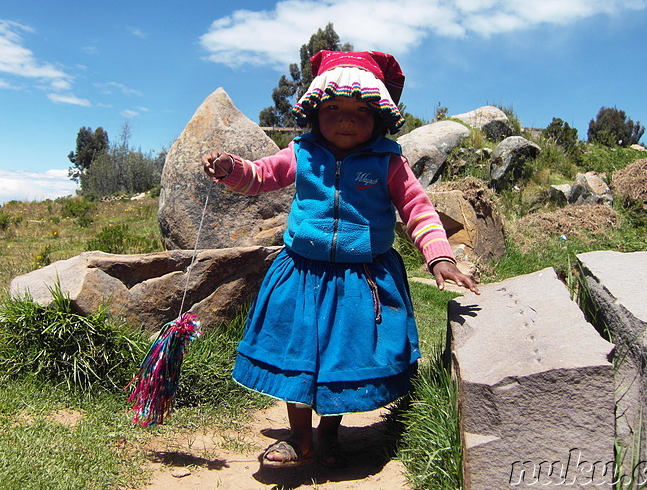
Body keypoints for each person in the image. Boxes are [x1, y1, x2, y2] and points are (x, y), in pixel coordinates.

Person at [201, 50, 479, 470]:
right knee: (296, 354)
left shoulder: (389, 162)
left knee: (341, 358)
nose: (345, 120)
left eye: (359, 111)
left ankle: (328, 436)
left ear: (380, 116)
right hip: (300, 274)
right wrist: (229, 168)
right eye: (332, 108)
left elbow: (417, 209)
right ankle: (301, 438)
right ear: (314, 111)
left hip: (360, 280)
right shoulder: (302, 152)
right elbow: (261, 176)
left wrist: (439, 256)